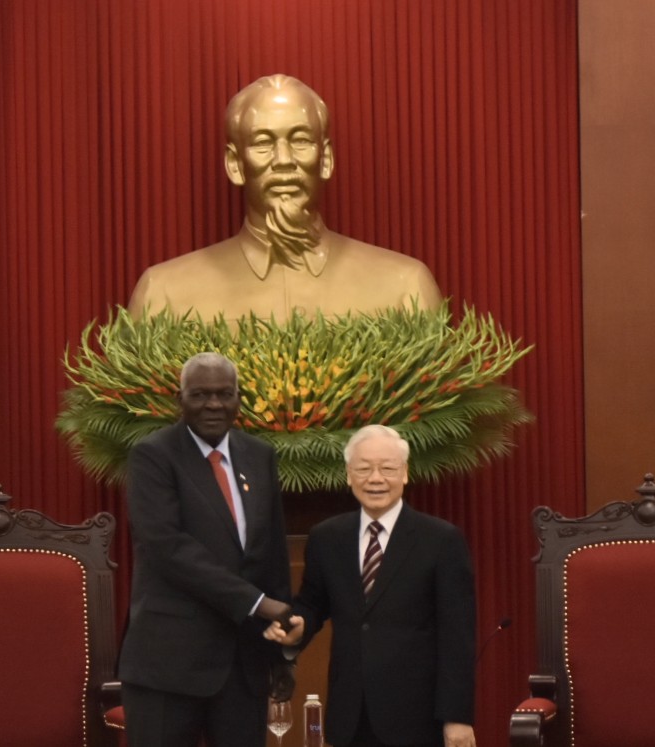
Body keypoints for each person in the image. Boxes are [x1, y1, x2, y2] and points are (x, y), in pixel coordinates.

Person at [128, 74, 443, 320]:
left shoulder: (405, 287)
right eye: (263, 143)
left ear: (326, 158)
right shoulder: (164, 295)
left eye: (301, 140)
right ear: (235, 165)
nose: (283, 159)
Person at [119, 351, 296, 746]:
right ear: (179, 399)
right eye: (200, 395)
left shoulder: (259, 455)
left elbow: (271, 554)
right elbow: (168, 548)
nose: (214, 404)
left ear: (238, 399)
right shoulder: (154, 456)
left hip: (244, 665)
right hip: (169, 666)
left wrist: (282, 654)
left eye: (224, 394)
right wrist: (256, 603)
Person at [267, 425, 477, 747]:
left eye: (387, 468)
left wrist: (457, 717)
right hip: (350, 715)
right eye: (364, 469)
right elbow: (312, 603)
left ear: (404, 474)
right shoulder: (327, 537)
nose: (375, 478)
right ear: (349, 475)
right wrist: (298, 627)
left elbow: (458, 637)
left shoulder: (440, 540)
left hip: (417, 719)